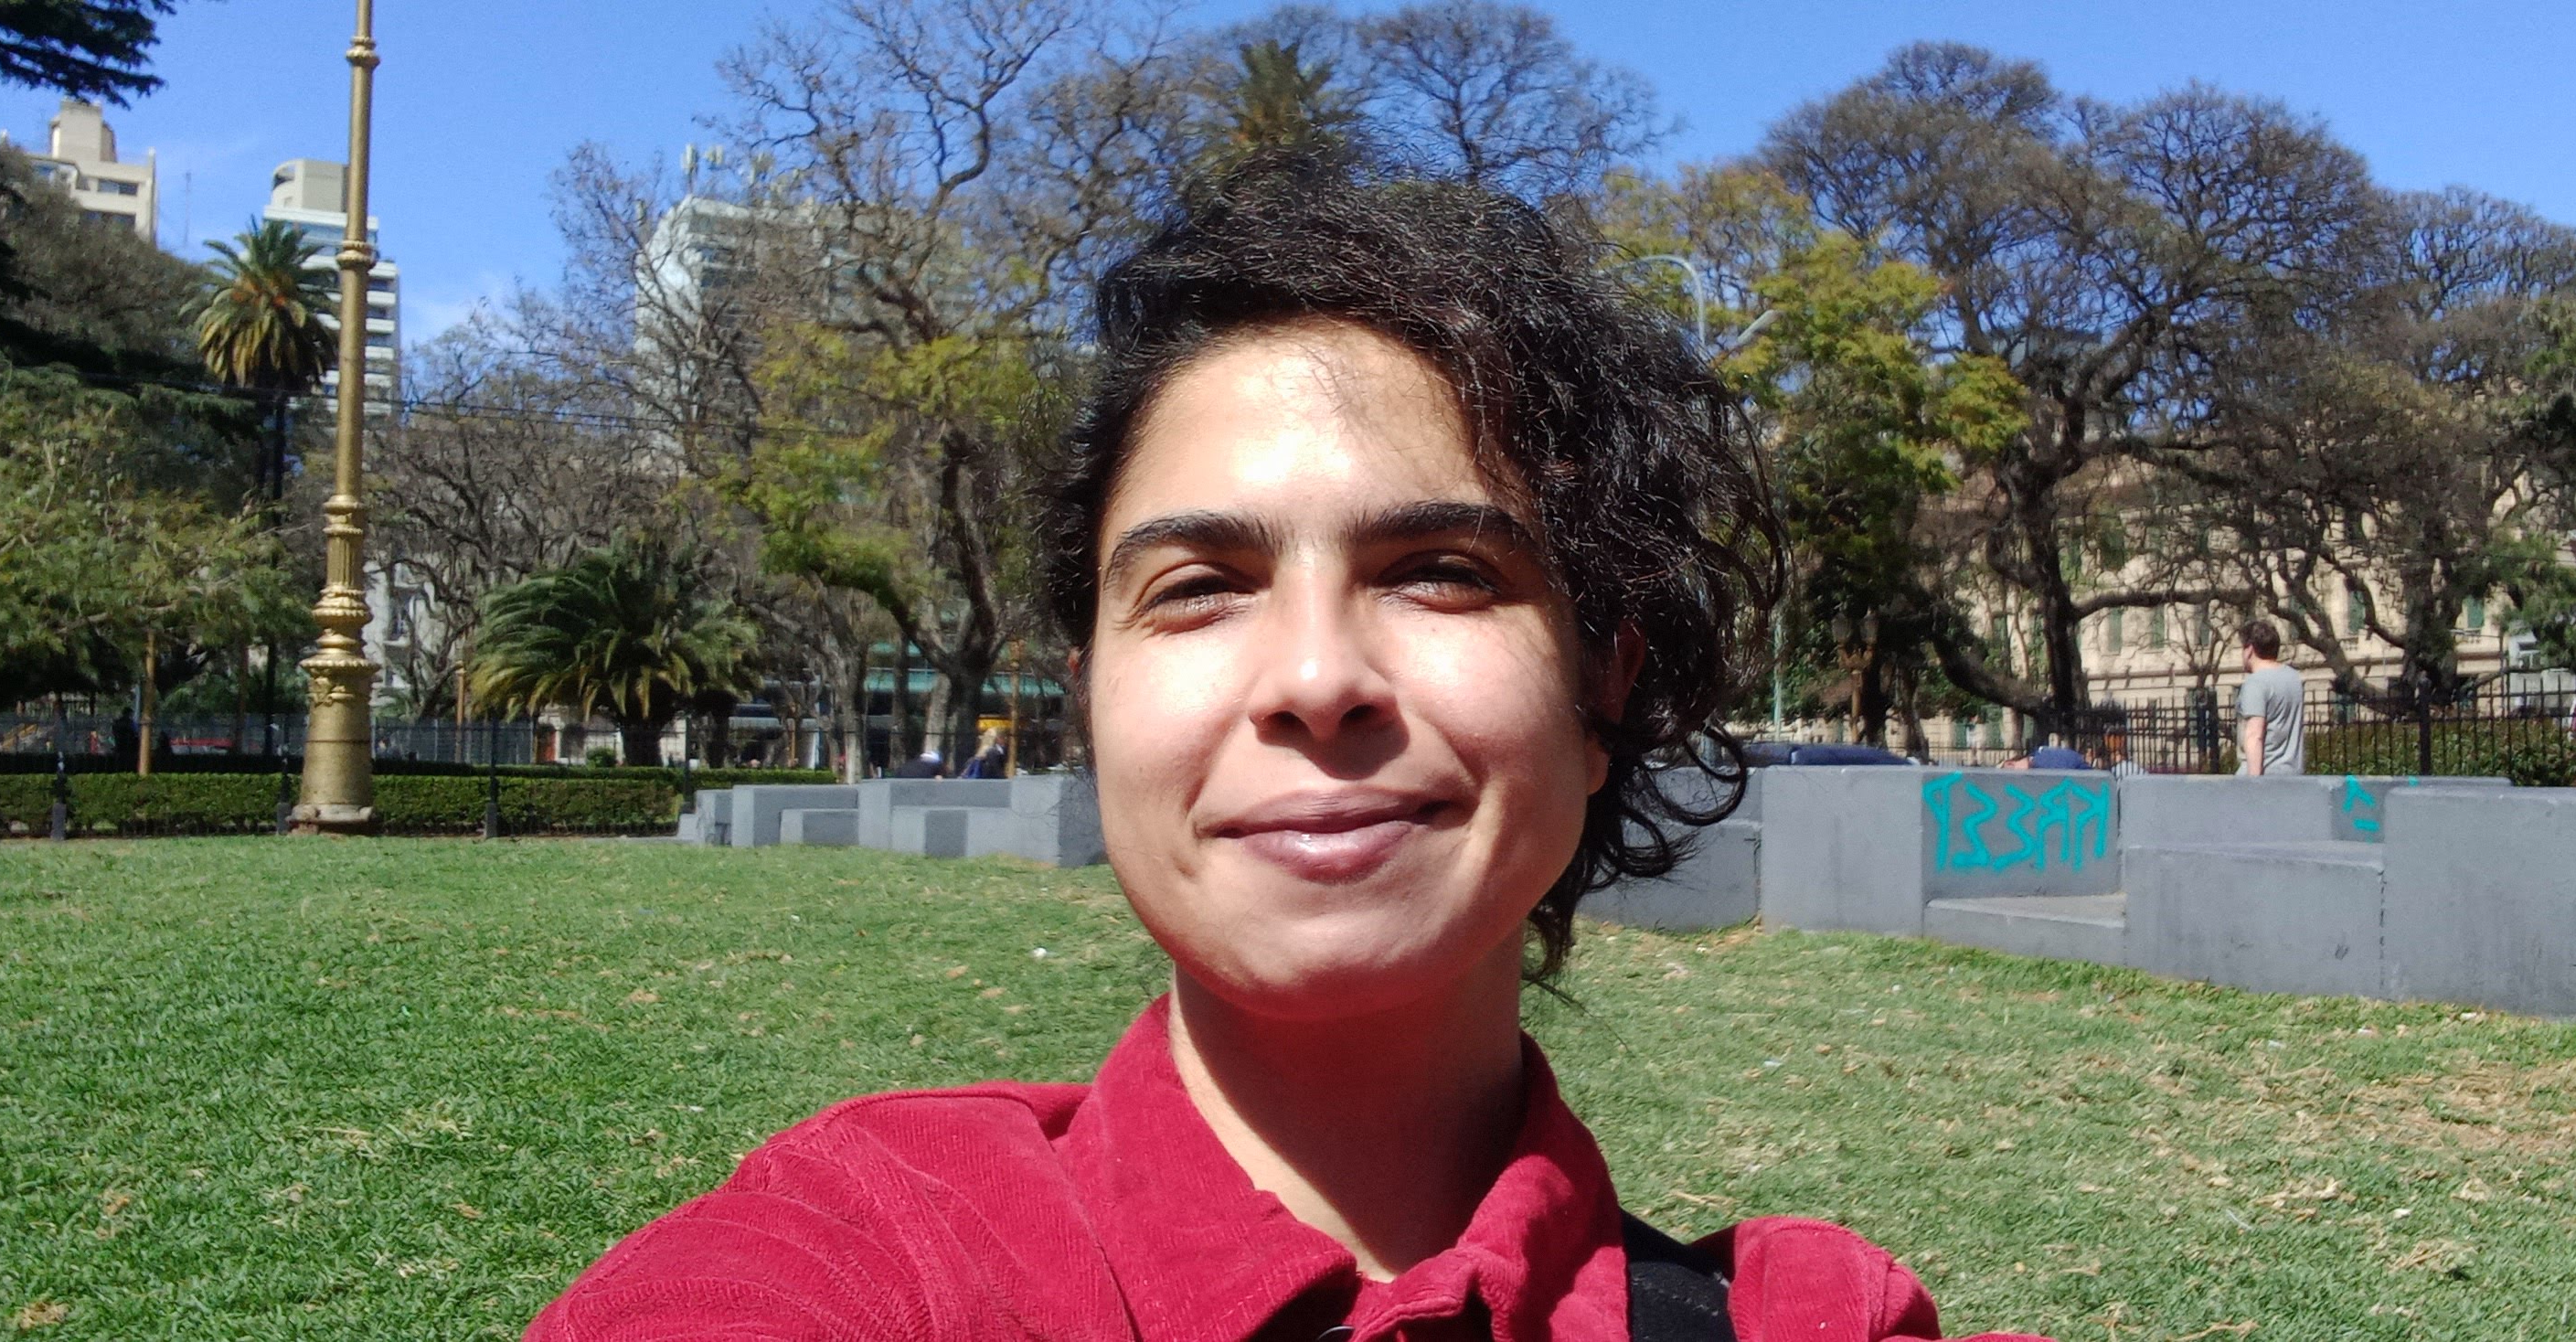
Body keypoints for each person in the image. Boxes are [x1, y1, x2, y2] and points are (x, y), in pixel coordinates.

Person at [522, 164, 2044, 1342]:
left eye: (1440, 570)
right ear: (1092, 703)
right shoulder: (877, 1246)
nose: (1316, 679)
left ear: (1601, 689)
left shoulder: (1806, 1316)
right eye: (1198, 586)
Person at [2234, 620, 2306, 776]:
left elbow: (2254, 735)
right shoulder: (2294, 678)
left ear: (2250, 650)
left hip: (2265, 776)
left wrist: (2254, 783)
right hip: (2293, 776)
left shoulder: (2255, 683)